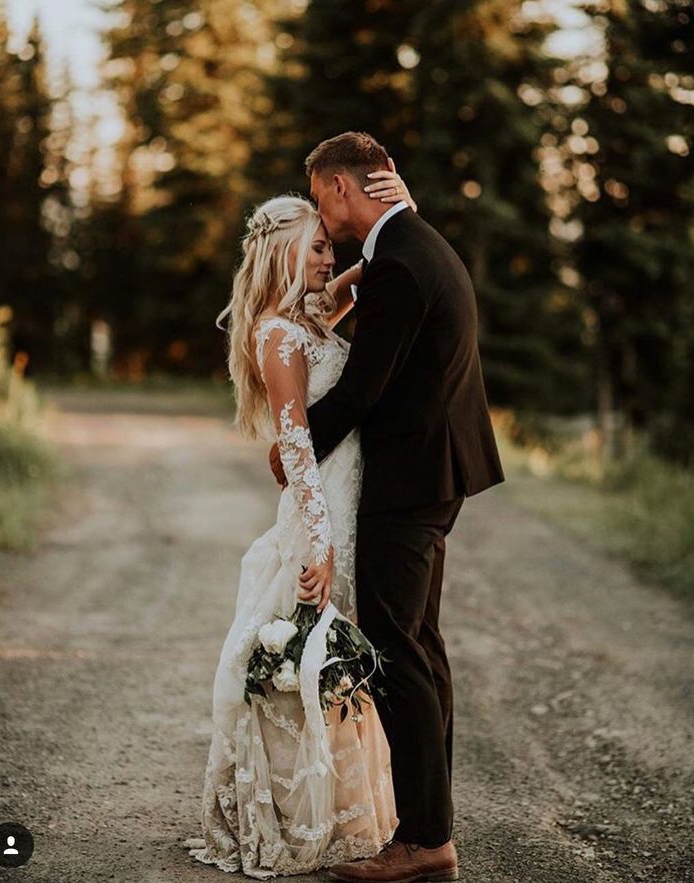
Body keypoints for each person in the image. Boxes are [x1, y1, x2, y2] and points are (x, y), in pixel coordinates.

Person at [269, 132, 505, 883]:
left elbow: (364, 387)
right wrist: (349, 283)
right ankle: (426, 824)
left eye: (318, 196)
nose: (318, 215)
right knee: (421, 646)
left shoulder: (402, 259)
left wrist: (293, 450)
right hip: (441, 471)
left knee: (397, 651)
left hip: (409, 481)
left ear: (343, 188)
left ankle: (426, 840)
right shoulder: (411, 246)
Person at [184, 164, 417, 877]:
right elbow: (294, 439)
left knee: (330, 659)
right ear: (285, 251)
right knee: (300, 656)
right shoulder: (278, 336)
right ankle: (289, 813)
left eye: (329, 245)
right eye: (317, 246)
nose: (329, 257)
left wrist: (400, 220)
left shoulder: (304, 320)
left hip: (344, 494)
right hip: (322, 507)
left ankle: (337, 805)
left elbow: (343, 299)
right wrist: (319, 539)